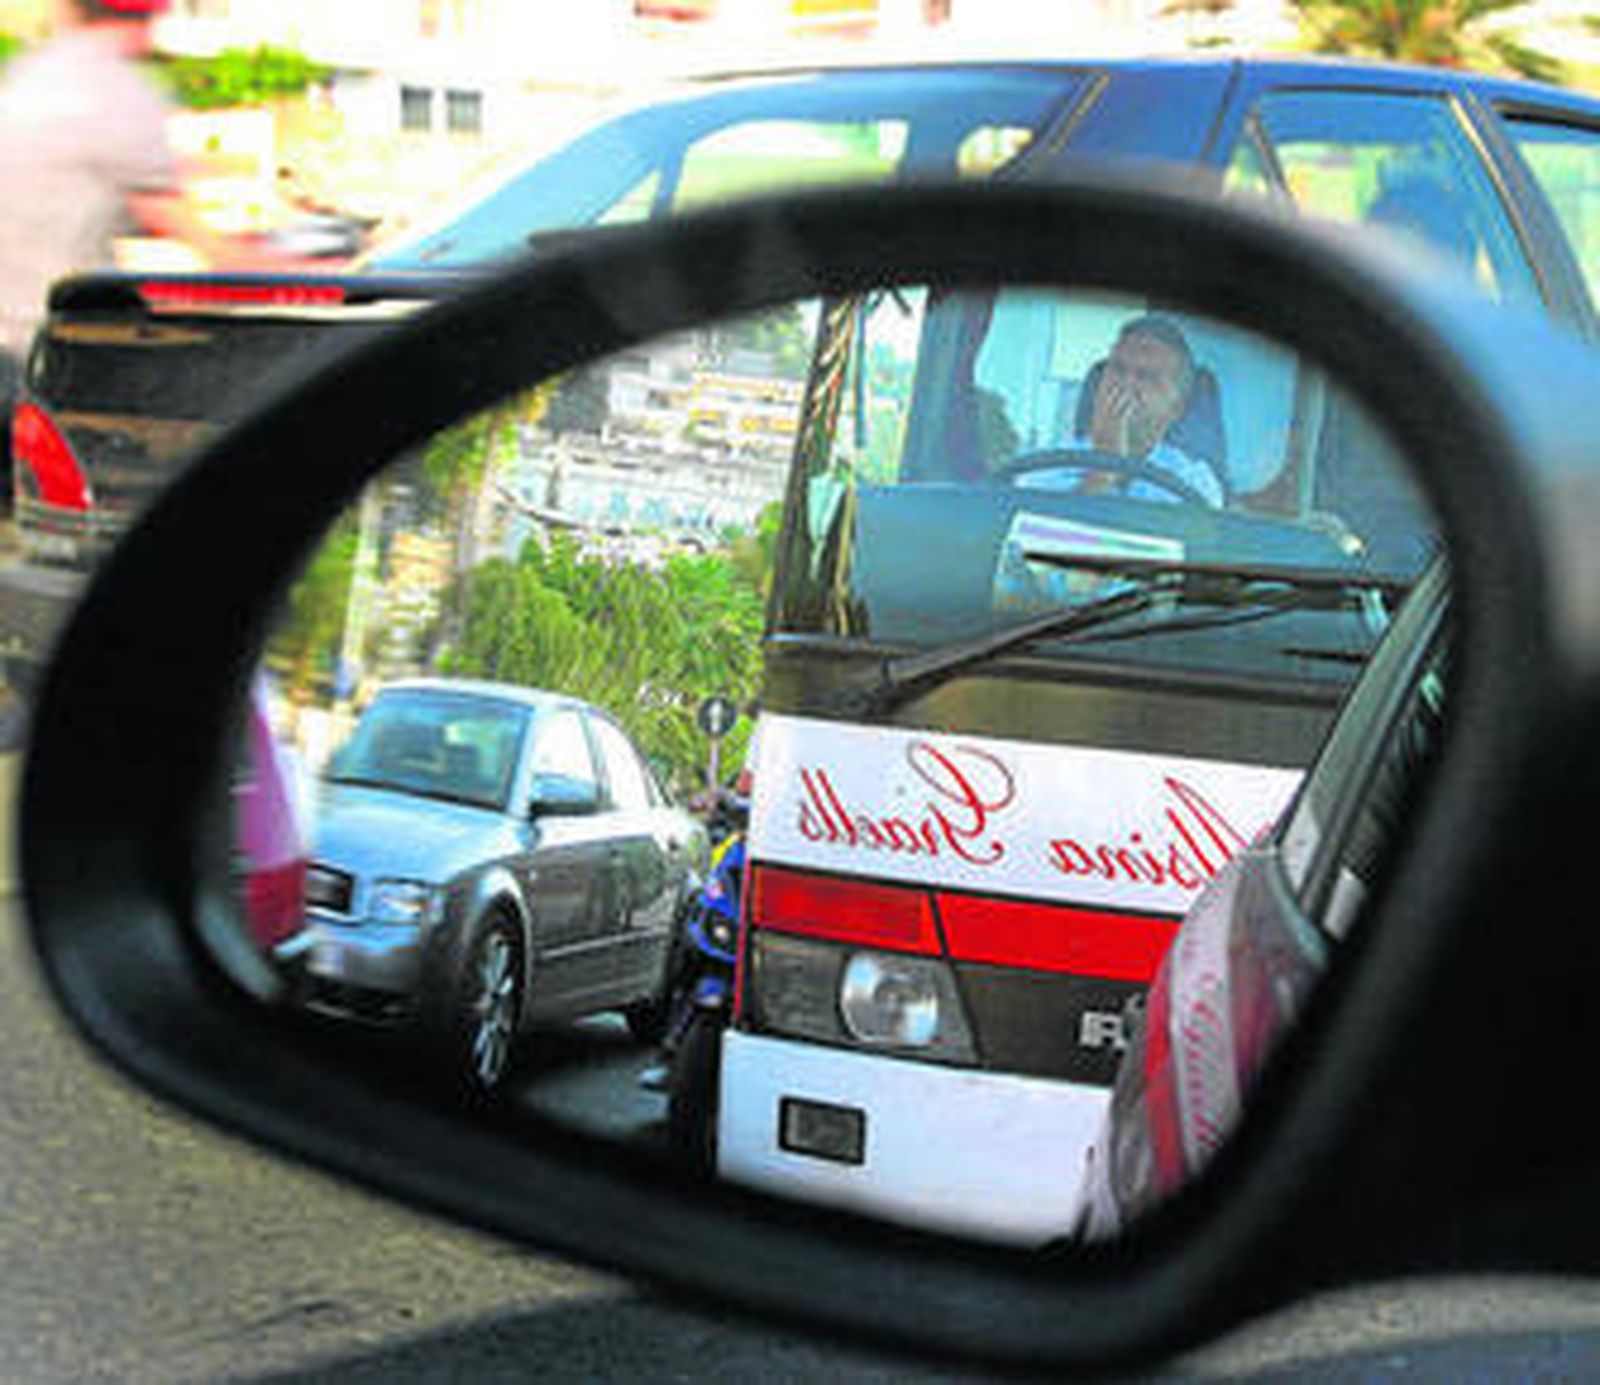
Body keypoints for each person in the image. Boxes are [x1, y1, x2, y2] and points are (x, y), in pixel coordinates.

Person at [1069, 314, 1226, 506]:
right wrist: (1102, 471)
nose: (1126, 384)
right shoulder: (1048, 463)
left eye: (1146, 376)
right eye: (1118, 369)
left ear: (1176, 408)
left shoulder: (1194, 481)